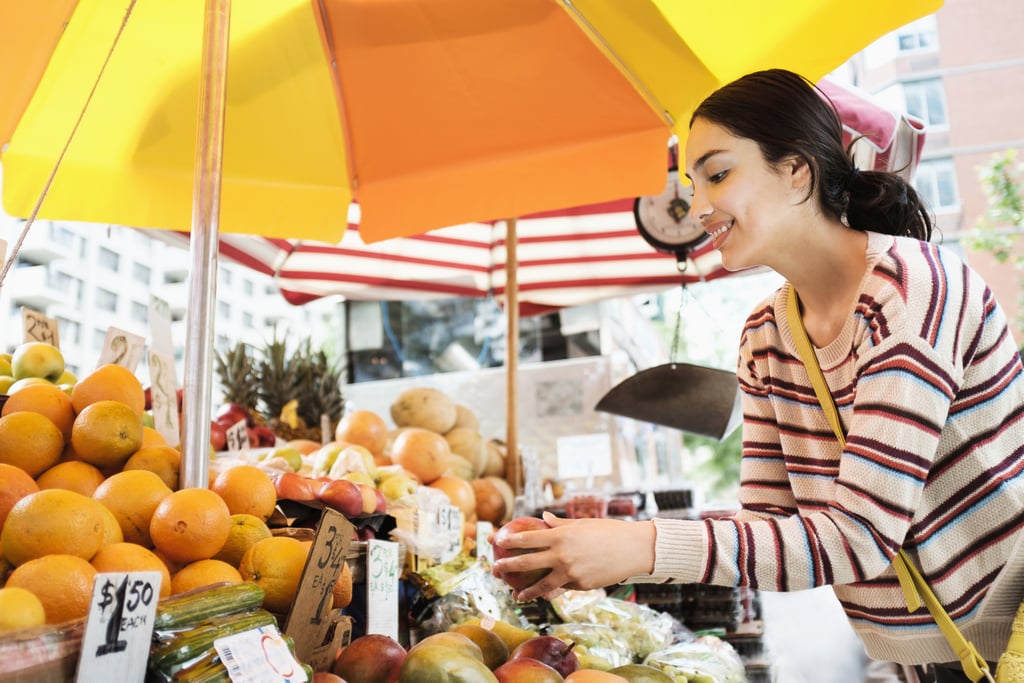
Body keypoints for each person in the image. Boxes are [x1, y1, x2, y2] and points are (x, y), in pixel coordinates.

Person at [491, 69, 1024, 682]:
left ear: (797, 171)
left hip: (1005, 634)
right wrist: (615, 547)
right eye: (693, 185)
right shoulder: (767, 333)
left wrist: (639, 547)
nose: (698, 208)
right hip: (930, 656)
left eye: (717, 175)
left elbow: (857, 537)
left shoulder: (913, 291)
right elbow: (766, 527)